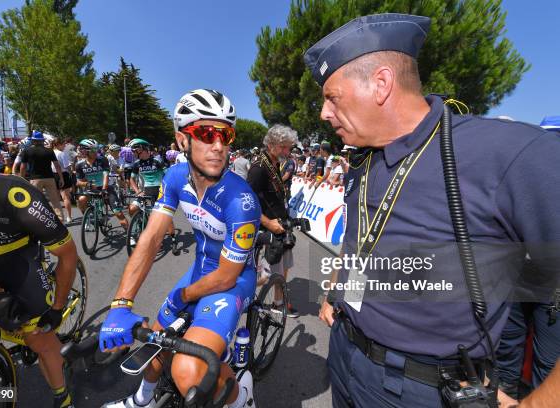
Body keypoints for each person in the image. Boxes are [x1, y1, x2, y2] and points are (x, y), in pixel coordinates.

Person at [304, 13, 560, 407]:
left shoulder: (508, 153)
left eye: (331, 97)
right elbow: (360, 244)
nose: (323, 112)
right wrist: (341, 294)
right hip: (344, 354)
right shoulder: (360, 161)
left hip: (422, 389)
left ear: (382, 84)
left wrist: (537, 402)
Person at [100, 89, 260, 408]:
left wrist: (183, 296)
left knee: (188, 369)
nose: (218, 146)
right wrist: (120, 304)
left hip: (232, 282)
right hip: (199, 272)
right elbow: (150, 238)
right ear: (181, 140)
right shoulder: (174, 177)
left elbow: (227, 277)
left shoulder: (241, 200)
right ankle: (142, 400)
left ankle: (242, 397)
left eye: (225, 135)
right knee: (157, 344)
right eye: (205, 133)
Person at [0, 167, 78, 408]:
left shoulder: (18, 197)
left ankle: (62, 397)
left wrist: (57, 308)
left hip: (14, 260)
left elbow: (68, 256)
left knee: (39, 339)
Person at [247, 124, 300, 318]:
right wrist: (269, 223)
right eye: (284, 147)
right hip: (267, 228)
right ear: (271, 144)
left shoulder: (275, 162)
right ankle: (239, 292)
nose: (287, 151)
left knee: (282, 268)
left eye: (289, 147)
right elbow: (248, 204)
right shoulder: (258, 168)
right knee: (265, 275)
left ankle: (278, 301)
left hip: (281, 225)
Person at [127, 138, 178, 251]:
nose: (134, 153)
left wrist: (167, 191)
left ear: (142, 149)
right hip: (145, 191)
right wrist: (137, 191)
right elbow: (131, 179)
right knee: (132, 208)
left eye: (135, 151)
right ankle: (140, 226)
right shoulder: (136, 164)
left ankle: (173, 238)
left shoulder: (157, 161)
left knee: (165, 218)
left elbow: (168, 176)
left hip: (159, 191)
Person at [74, 139, 129, 232]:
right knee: (81, 200)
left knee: (118, 213)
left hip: (106, 187)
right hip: (92, 188)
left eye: (96, 149)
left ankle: (130, 235)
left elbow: (105, 175)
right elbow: (78, 182)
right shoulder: (79, 165)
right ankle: (89, 217)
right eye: (93, 150)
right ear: (85, 151)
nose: (96, 152)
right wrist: (87, 184)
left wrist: (104, 189)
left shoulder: (102, 159)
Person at [20, 131, 65, 222]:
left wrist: (21, 178)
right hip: (49, 178)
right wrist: (61, 178)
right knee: (55, 201)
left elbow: (23, 167)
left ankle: (37, 221)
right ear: (42, 141)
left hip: (35, 179)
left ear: (33, 140)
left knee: (35, 201)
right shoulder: (49, 151)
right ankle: (60, 220)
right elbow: (57, 165)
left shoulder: (27, 151)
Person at [53, 139, 75, 223]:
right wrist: (71, 173)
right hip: (63, 174)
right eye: (63, 144)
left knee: (56, 198)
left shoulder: (50, 152)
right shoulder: (62, 154)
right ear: (58, 144)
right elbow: (67, 166)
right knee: (66, 197)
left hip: (53, 175)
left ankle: (58, 217)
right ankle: (69, 217)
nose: (65, 146)